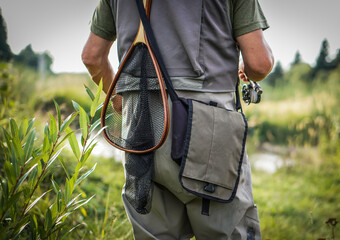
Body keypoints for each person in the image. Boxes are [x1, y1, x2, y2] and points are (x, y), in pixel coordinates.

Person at [82, 0, 274, 239]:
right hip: (210, 121)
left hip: (140, 122)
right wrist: (247, 69)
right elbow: (260, 63)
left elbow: (92, 56)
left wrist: (120, 98)